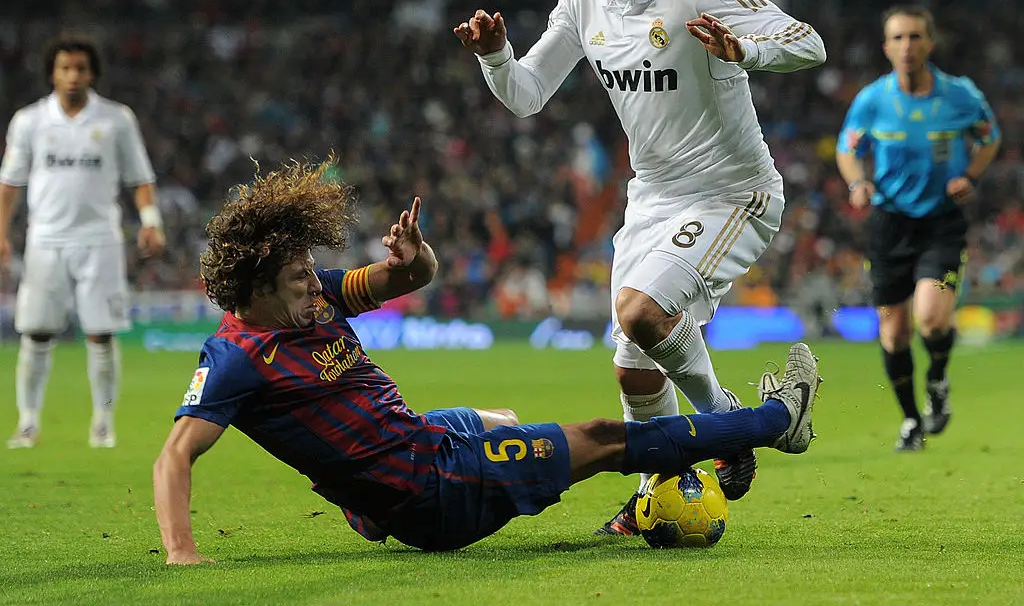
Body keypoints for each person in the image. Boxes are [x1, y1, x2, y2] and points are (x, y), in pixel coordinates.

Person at [153, 158, 821, 563]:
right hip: (432, 492)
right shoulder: (237, 358)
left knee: (498, 418)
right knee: (603, 439)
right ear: (255, 292)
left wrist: (413, 261)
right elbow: (175, 456)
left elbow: (406, 282)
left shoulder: (319, 298)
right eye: (297, 278)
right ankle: (776, 420)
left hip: (419, 442)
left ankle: (368, 507)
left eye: (309, 270)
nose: (313, 283)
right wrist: (181, 553)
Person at [453, 0, 826, 532]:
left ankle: (728, 423)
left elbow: (809, 42)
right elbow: (526, 95)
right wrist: (496, 55)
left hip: (731, 192)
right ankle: (657, 494)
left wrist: (746, 50)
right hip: (651, 200)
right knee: (634, 372)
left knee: (641, 314)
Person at [836, 5, 1001, 452]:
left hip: (941, 220)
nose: (907, 46)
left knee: (930, 317)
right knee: (894, 333)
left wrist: (972, 177)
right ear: (886, 47)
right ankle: (911, 421)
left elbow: (989, 136)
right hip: (889, 224)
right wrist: (857, 182)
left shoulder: (960, 96)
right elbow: (847, 148)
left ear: (930, 43)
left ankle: (938, 376)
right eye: (898, 38)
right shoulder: (872, 100)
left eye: (914, 37)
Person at [0, 37, 165, 449]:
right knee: (35, 334)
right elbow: (10, 183)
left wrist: (150, 221)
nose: (73, 76)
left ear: (93, 74)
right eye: (65, 68)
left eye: (80, 69)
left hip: (100, 240)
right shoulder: (30, 121)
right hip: (45, 240)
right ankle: (28, 422)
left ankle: (103, 422)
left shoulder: (115, 120)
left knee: (101, 334)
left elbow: (139, 178)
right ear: (52, 73)